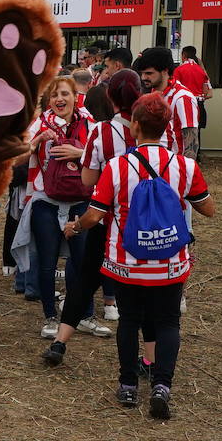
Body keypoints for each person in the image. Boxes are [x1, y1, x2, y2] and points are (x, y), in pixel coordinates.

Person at [66, 94, 214, 418]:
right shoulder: (185, 166)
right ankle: (162, 385)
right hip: (170, 264)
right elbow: (209, 208)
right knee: (168, 322)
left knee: (129, 321)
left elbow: (93, 216)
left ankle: (128, 385)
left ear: (134, 125)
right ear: (166, 127)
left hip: (126, 264)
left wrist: (75, 227)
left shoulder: (117, 167)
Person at [40, 71, 147, 366]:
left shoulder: (102, 132)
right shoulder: (152, 126)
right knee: (140, 292)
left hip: (107, 220)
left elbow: (88, 180)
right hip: (145, 221)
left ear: (108, 97)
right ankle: (148, 359)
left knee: (85, 280)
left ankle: (60, 342)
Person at [26, 76, 98, 338]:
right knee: (47, 261)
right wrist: (37, 141)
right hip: (47, 201)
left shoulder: (89, 123)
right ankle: (50, 318)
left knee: (82, 262)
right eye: (55, 95)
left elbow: (105, 155)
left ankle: (83, 315)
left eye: (65, 94)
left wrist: (79, 153)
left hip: (80, 202)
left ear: (75, 97)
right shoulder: (41, 123)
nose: (60, 99)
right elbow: (19, 154)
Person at [133, 47, 200, 157]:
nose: (143, 77)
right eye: (142, 73)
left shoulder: (182, 98)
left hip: (174, 169)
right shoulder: (151, 93)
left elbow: (191, 144)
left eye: (149, 73)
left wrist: (185, 171)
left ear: (165, 71)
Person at [172, 45, 213, 153]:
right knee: (196, 129)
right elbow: (206, 92)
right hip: (199, 103)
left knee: (182, 128)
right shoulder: (201, 70)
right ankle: (196, 155)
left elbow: (174, 87)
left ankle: (182, 154)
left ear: (184, 55)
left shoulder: (179, 69)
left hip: (184, 102)